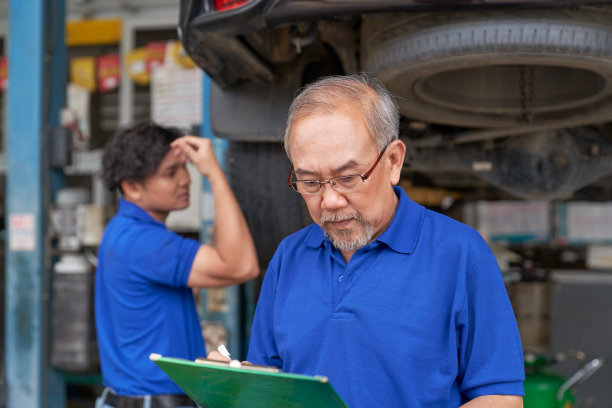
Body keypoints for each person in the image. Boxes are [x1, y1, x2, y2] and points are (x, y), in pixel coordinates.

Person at [246, 75, 525, 408]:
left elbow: (501, 398)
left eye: (347, 178)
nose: (330, 200)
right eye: (310, 182)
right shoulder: (289, 257)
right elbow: (267, 380)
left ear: (393, 161)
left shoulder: (460, 253)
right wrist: (227, 383)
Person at [94, 121, 259, 408]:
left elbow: (221, 253)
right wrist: (214, 174)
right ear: (133, 187)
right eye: (170, 173)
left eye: (185, 167)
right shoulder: (144, 242)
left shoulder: (124, 230)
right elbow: (241, 265)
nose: (186, 179)